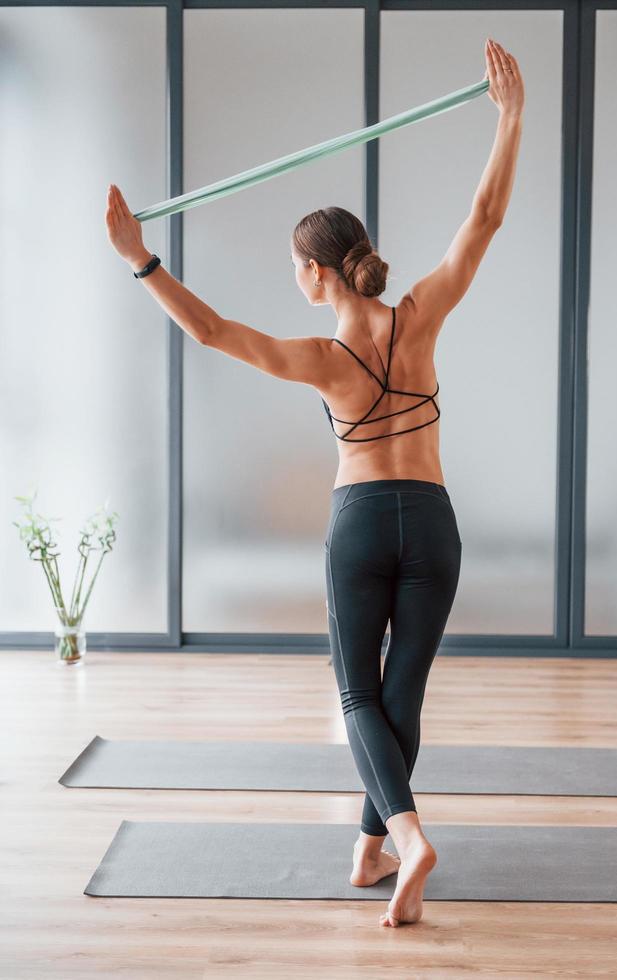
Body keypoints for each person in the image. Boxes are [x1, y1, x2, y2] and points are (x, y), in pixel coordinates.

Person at [106, 37, 524, 927]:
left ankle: (407, 838)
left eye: (295, 265)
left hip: (363, 520)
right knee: (399, 691)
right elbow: (482, 219)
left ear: (319, 271)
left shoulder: (321, 358)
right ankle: (371, 851)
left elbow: (213, 332)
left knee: (353, 693)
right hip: (435, 523)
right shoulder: (420, 316)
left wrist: (138, 259)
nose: (291, 276)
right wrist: (511, 117)